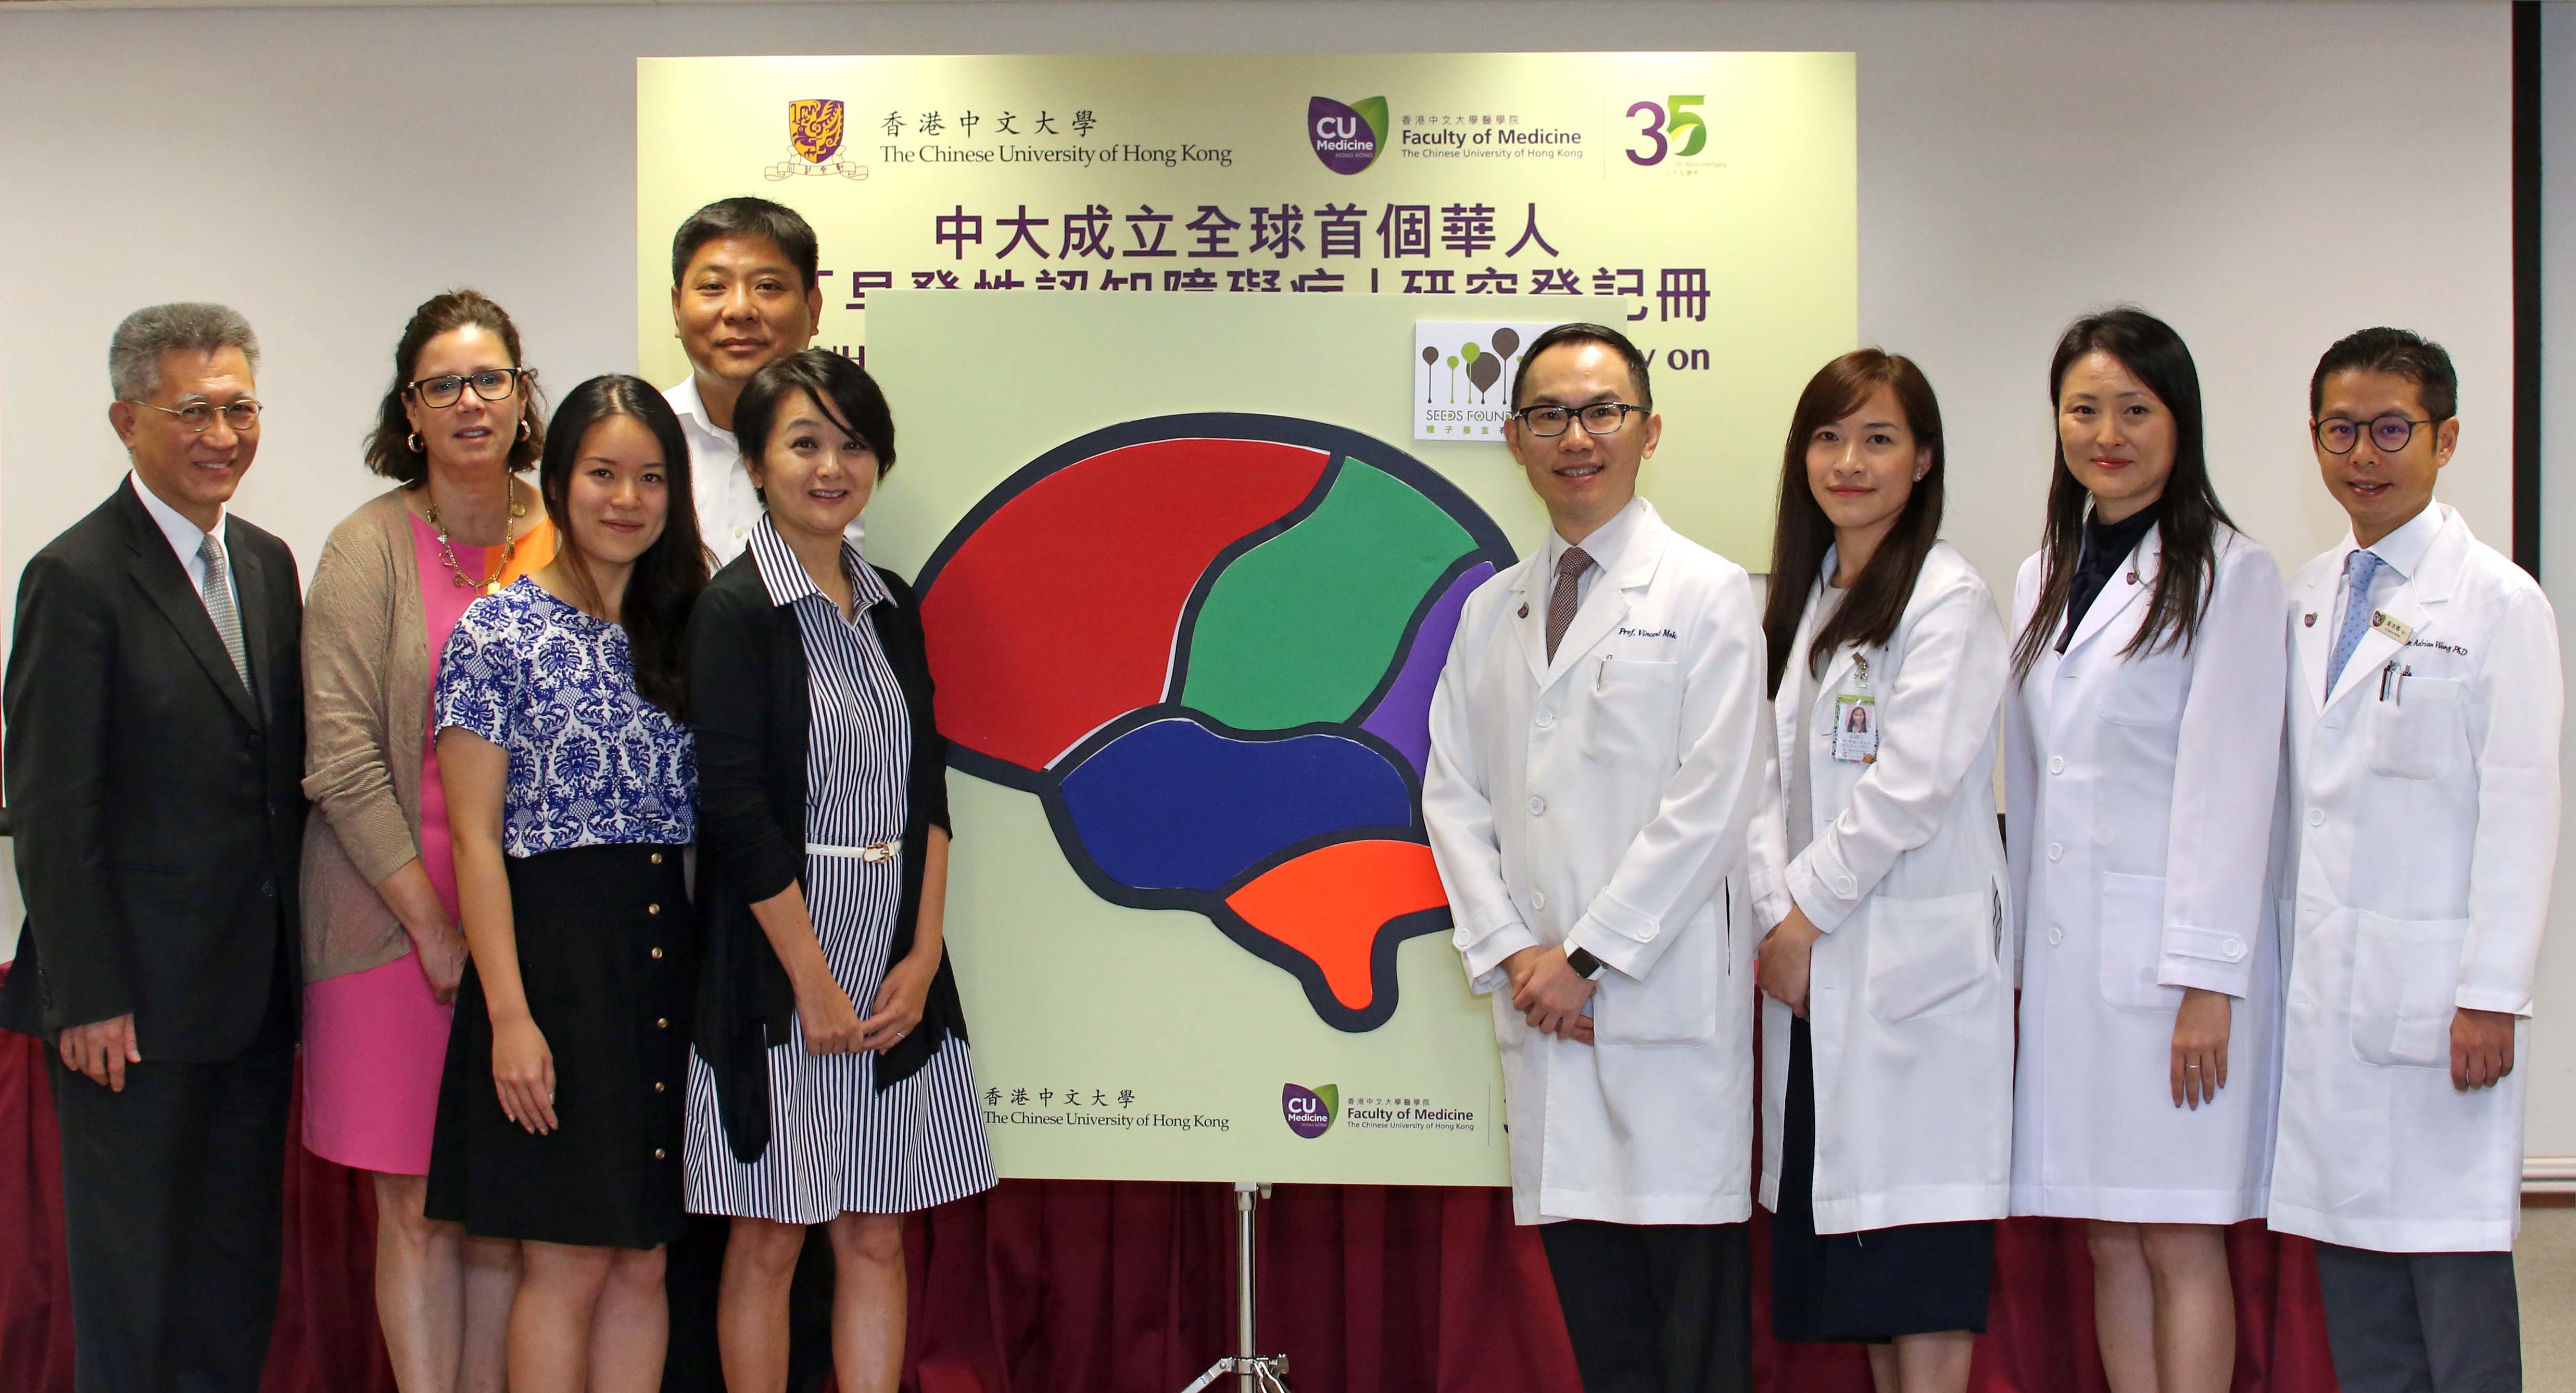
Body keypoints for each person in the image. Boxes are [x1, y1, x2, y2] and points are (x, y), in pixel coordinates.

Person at [1423, 322, 1770, 1393]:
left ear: (1647, 430)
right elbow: (1453, 791)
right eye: (1547, 416)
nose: (1576, 438)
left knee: (1693, 1346)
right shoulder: (1490, 609)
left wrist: (1587, 958)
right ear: (1514, 440)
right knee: (1603, 1342)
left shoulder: (1709, 595)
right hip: (1546, 1016)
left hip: (1658, 1010)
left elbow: (1711, 804)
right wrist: (1515, 952)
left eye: (1600, 412)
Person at [0, 303, 307, 1392]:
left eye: (239, 407)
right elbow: (51, 804)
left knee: (234, 1286)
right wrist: (85, 993)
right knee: (135, 1295)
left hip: (254, 1000)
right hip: (127, 1014)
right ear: (127, 419)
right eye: (193, 411)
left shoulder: (267, 565)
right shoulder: (77, 577)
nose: (222, 434)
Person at [684, 349, 995, 1393]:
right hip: (783, 960)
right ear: (757, 463)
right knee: (771, 1237)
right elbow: (731, 809)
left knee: (874, 1232)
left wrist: (920, 959)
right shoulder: (733, 611)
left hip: (894, 952)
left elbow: (930, 793)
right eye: (803, 444)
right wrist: (812, 983)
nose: (830, 467)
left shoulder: (891, 602)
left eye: (852, 445)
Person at [2268, 328, 2557, 1393]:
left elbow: (2521, 813)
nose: (2362, 455)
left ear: (2442, 440)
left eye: (2390, 429)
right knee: (2358, 1289)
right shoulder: (2308, 595)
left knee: (2452, 1294)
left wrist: (2489, 995)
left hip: (2441, 1012)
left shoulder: (2495, 603)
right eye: (2339, 430)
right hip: (2334, 1007)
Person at [2004, 308, 2285, 1393]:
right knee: (2104, 1237)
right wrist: (2021, 966)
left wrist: (2207, 983)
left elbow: (2230, 789)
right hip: (2074, 970)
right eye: (2083, 410)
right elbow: (2030, 787)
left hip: (2175, 981)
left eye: (2133, 409)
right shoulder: (2040, 575)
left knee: (2177, 1235)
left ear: (2179, 422)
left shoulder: (2228, 572)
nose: (2105, 433)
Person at [425, 374, 708, 1391]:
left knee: (641, 1257)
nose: (625, 499)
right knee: (566, 1261)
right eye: (601, 474)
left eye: (648, 478)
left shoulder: (683, 632)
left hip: (662, 962)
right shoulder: (494, 635)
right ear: (557, 480)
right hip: (553, 969)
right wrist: (510, 1017)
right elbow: (471, 841)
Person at [299, 289, 559, 1391]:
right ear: (409, 410)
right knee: (411, 1202)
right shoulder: (366, 549)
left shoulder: (565, 531)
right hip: (385, 922)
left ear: (521, 394)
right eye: (441, 384)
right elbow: (343, 760)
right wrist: (432, 928)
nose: (468, 402)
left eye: (489, 378)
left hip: (535, 925)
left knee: (501, 1207)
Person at [1748, 350, 2012, 1393]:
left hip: (1906, 981)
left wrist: (1798, 915)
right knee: (1855, 1268)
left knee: (1919, 1261)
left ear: (1922, 460)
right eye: (1827, 436)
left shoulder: (1947, 599)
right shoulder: (1800, 599)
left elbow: (1910, 784)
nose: (1847, 461)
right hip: (1813, 973)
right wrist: (1781, 914)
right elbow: (1754, 780)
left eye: (1877, 438)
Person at [664, 195, 858, 565]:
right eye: (713, 287)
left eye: (768, 286)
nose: (740, 310)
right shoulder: (645, 438)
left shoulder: (861, 448)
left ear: (812, 308)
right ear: (677, 309)